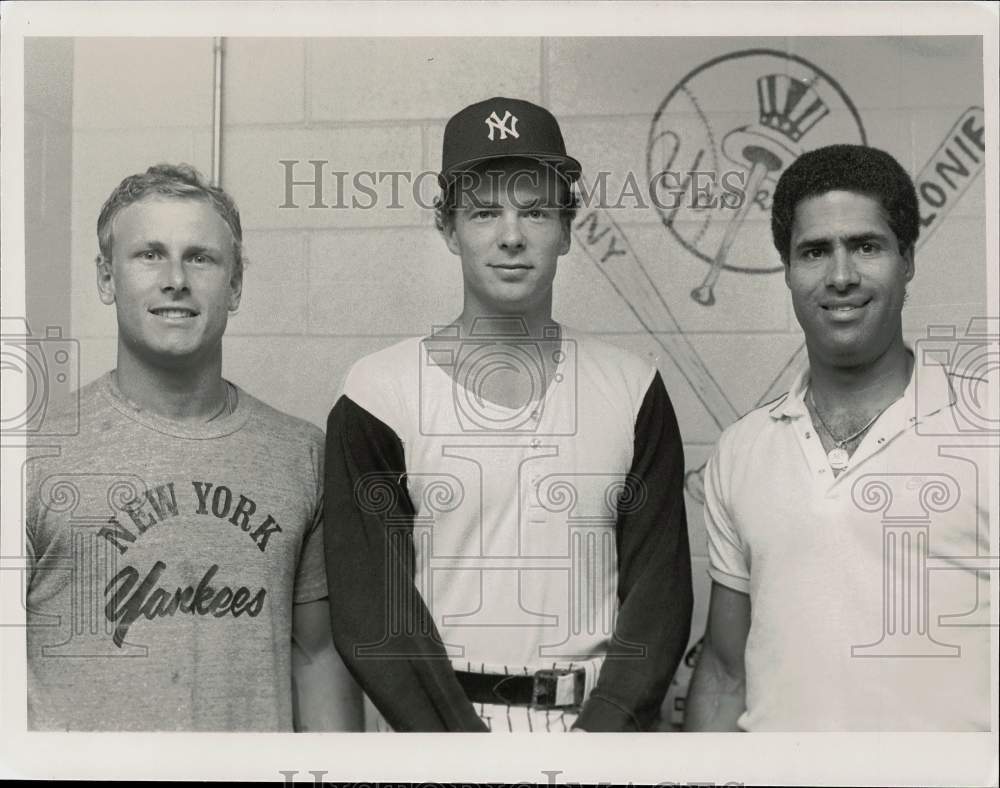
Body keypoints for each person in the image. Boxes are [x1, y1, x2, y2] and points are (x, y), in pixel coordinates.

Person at [324, 97, 692, 732]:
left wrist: (598, 749)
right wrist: (461, 753)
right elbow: (371, 612)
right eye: (485, 211)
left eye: (536, 210)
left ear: (568, 229)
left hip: (596, 735)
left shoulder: (634, 388)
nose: (512, 235)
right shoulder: (379, 392)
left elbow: (659, 602)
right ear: (447, 228)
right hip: (435, 736)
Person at [25, 164, 362, 731]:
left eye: (200, 257)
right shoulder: (34, 455)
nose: (175, 279)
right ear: (106, 279)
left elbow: (317, 657)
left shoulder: (301, 455)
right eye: (149, 254)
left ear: (234, 286)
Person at [684, 144, 991, 731]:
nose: (842, 275)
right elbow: (725, 674)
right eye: (816, 251)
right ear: (788, 270)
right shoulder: (742, 451)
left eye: (866, 246)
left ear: (908, 259)